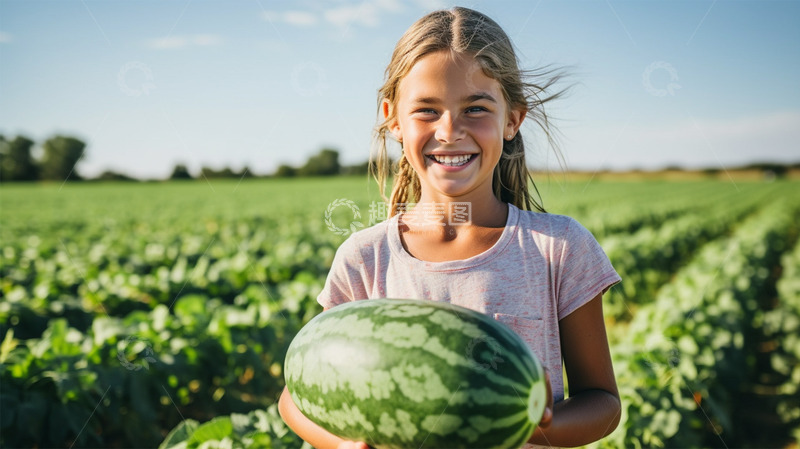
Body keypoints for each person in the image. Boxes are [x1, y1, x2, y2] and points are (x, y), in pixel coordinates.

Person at [279, 6, 621, 448]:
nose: (449, 131)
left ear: (513, 118)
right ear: (394, 120)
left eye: (476, 108)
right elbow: (296, 394)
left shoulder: (559, 248)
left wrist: (538, 425)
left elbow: (604, 401)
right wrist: (342, 445)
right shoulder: (366, 257)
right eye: (426, 110)